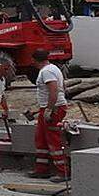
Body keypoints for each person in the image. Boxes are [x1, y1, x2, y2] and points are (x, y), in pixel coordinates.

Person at [28, 48, 69, 182]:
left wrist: (49, 109)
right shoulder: (53, 69)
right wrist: (39, 110)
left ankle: (63, 172)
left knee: (53, 140)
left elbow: (54, 90)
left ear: (34, 60)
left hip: (54, 108)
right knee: (41, 139)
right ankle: (42, 169)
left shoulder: (47, 71)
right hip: (48, 107)